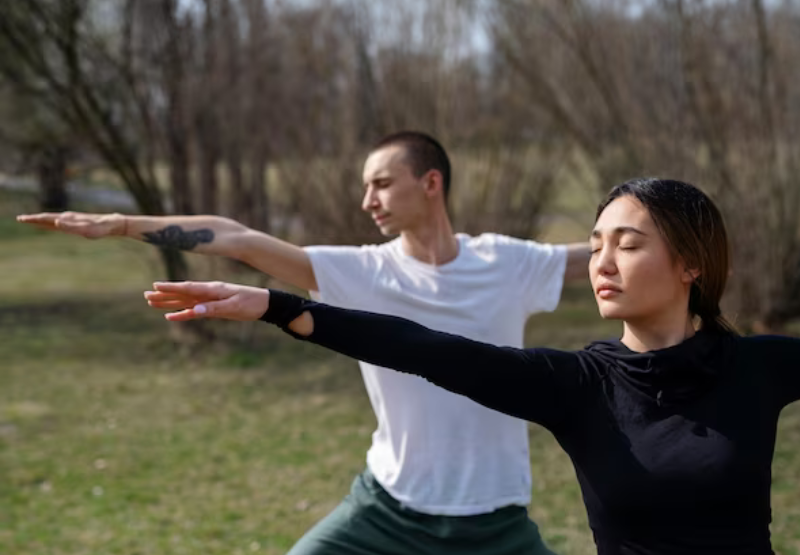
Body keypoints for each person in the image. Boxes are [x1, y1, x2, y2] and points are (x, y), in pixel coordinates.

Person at [145, 178, 800, 555]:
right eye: (596, 244)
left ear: (692, 265)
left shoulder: (759, 367)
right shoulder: (579, 387)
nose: (602, 263)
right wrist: (274, 306)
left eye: (628, 246)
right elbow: (424, 348)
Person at [19, 131, 589, 555]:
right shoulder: (359, 271)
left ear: (431, 183)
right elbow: (239, 239)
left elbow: (606, 259)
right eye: (365, 186)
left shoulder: (507, 262)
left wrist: (666, 233)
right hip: (387, 509)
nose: (368, 199)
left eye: (382, 183)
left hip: (495, 521)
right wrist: (122, 225)